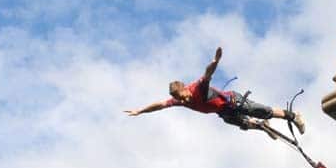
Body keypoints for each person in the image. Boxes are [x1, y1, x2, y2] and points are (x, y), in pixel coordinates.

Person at [125, 46, 306, 134]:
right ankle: (263, 126)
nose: (184, 101)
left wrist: (215, 62)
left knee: (259, 111)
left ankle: (293, 116)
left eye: (183, 97)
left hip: (232, 101)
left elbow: (207, 73)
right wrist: (140, 111)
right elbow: (160, 105)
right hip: (223, 111)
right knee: (241, 124)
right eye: (180, 99)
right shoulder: (180, 100)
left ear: (185, 89)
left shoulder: (197, 88)